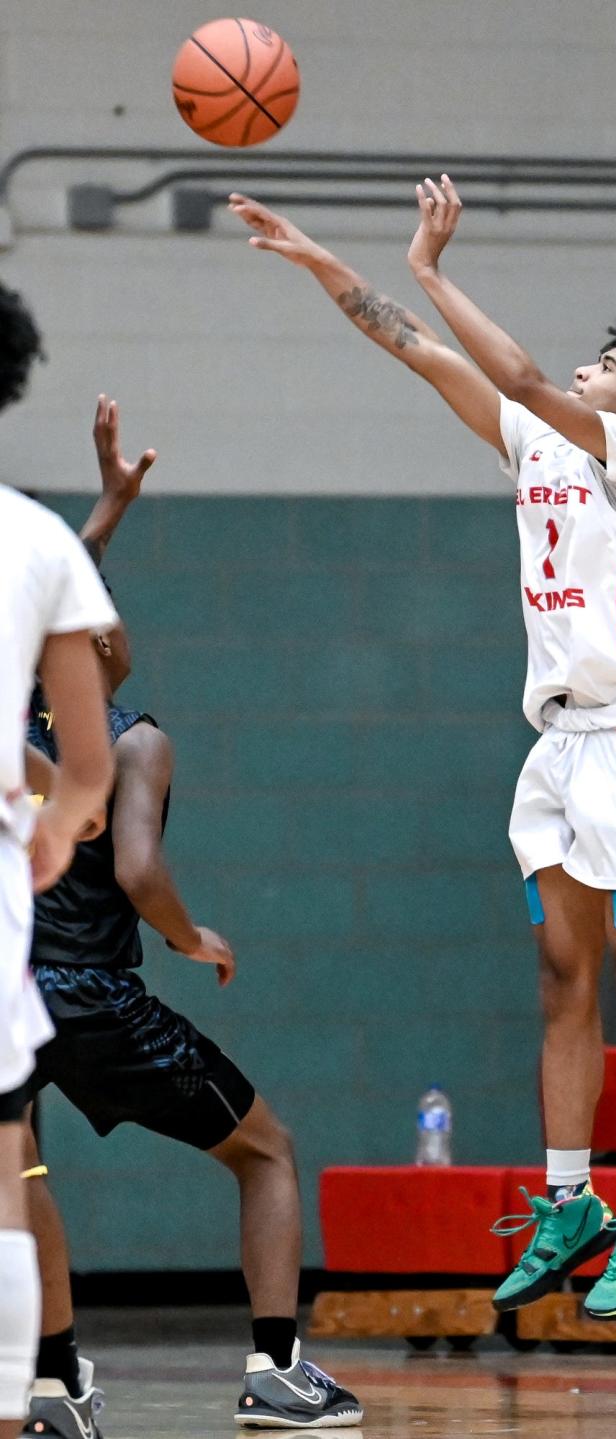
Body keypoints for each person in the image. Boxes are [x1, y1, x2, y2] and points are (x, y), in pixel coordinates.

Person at [229, 176, 616, 1321]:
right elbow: (415, 353)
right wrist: (321, 259)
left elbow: (507, 369)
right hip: (554, 746)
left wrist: (432, 265)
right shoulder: (538, 448)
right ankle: (573, 1200)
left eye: (607, 365)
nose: (581, 369)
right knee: (561, 976)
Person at [22, 402, 363, 1435]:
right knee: (266, 1148)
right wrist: (188, 932)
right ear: (105, 648)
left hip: (13, 996)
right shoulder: (133, 740)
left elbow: (45, 584)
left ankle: (53, 1381)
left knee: (20, 1177)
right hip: (96, 995)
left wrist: (108, 512)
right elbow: (137, 869)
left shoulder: (6, 720)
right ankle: (275, 1368)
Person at [0, 281, 116, 1439]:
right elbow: (87, 762)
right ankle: (22, 1398)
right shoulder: (36, 539)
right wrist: (46, 832)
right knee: (1, 1165)